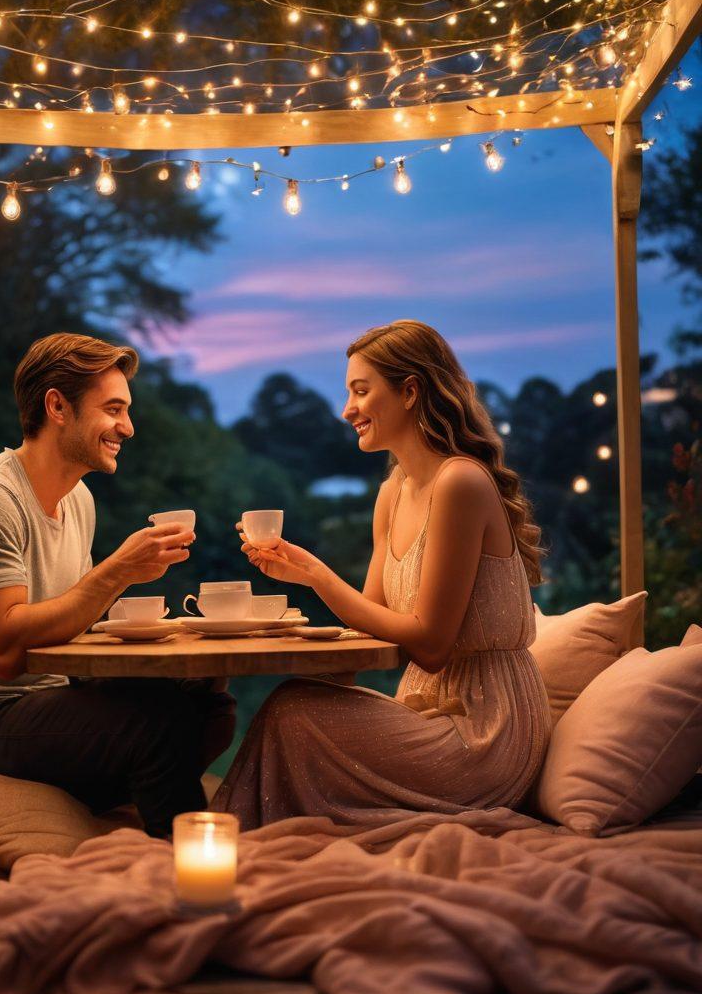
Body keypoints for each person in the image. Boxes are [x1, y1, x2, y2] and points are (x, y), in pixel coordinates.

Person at [212, 319, 550, 829]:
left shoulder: (459, 483)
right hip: (426, 710)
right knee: (296, 703)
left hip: (485, 732)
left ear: (410, 391)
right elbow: (374, 619)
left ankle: (226, 841)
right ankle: (231, 840)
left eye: (360, 391)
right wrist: (299, 584)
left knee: (293, 712)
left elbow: (431, 646)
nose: (346, 409)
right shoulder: (394, 491)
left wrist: (318, 577)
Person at [0, 333, 236, 837]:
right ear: (57, 406)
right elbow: (3, 654)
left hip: (49, 697)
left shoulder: (79, 499)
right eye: (113, 409)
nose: (127, 427)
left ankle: (147, 809)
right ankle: (186, 861)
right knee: (157, 720)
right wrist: (117, 571)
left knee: (205, 696)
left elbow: (70, 619)